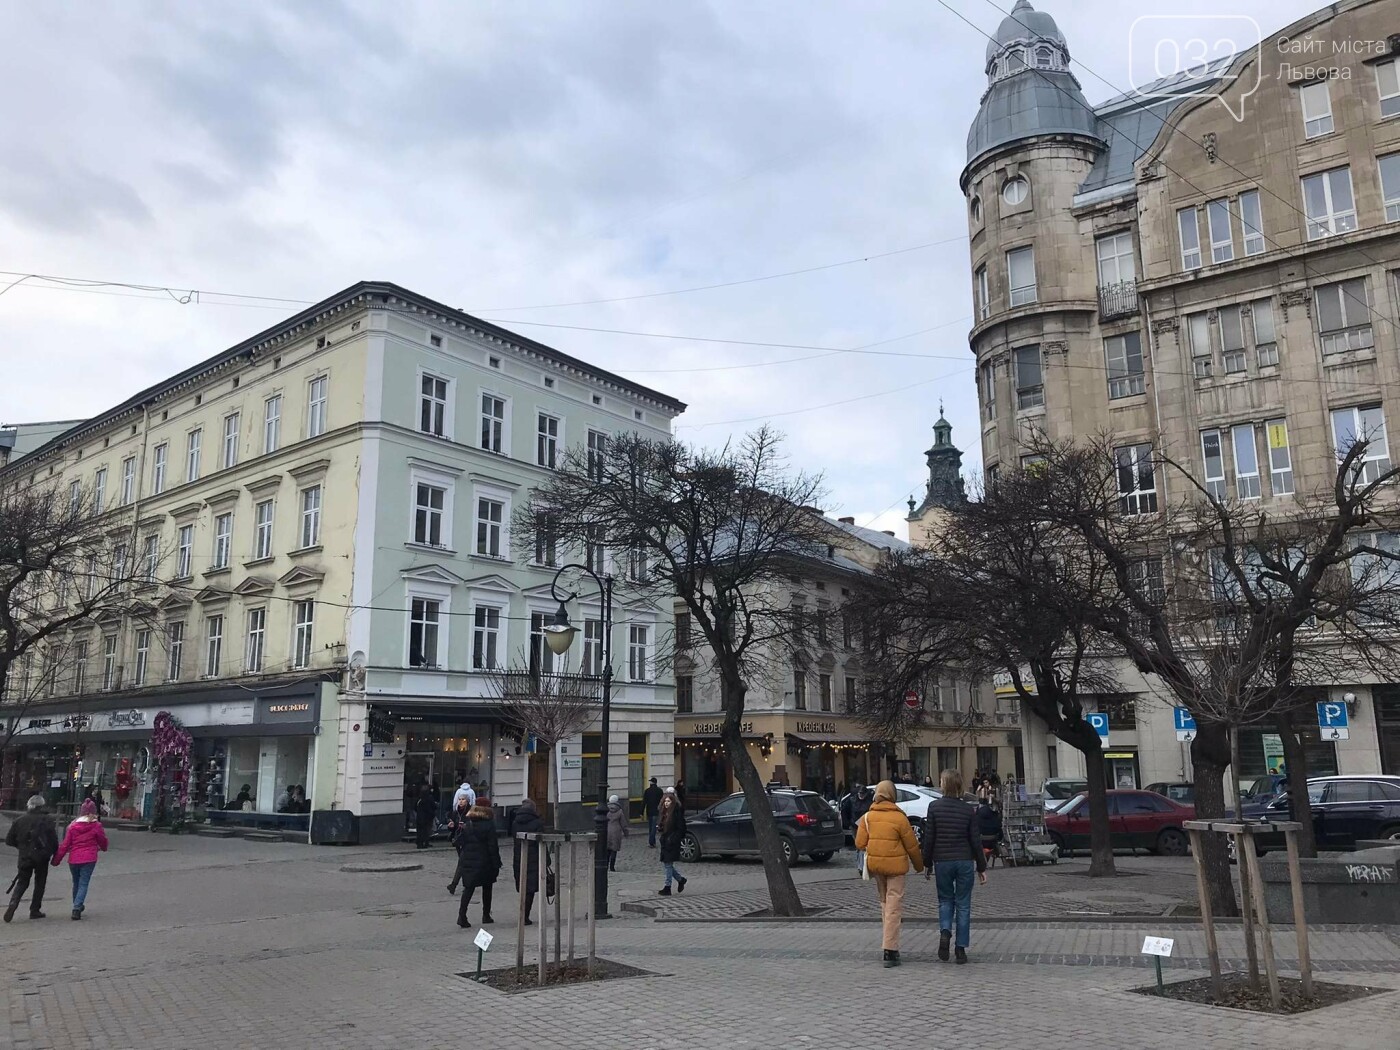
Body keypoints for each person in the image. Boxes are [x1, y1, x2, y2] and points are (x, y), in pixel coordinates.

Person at [855, 780, 924, 967]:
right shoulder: (900, 818)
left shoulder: (867, 817)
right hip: (896, 869)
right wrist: (920, 866)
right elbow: (912, 847)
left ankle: (888, 942)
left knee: (885, 904)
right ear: (892, 795)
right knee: (894, 906)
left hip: (877, 867)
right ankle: (890, 950)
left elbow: (860, 843)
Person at [922, 769, 988, 964]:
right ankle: (960, 949)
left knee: (945, 900)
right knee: (963, 904)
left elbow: (929, 838)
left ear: (944, 785)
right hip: (964, 861)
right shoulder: (968, 810)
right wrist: (982, 867)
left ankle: (945, 931)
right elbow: (975, 840)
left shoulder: (934, 807)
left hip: (942, 861)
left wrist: (927, 863)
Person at [51, 798, 109, 921]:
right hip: (89, 858)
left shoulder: (72, 827)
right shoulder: (96, 826)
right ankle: (77, 907)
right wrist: (104, 848)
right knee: (83, 883)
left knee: (76, 883)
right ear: (93, 812)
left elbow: (65, 845)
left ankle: (77, 904)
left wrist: (56, 860)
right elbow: (102, 840)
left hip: (74, 859)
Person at [5, 794, 58, 922]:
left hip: (24, 856)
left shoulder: (19, 820)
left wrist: (22, 847)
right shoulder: (48, 820)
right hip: (42, 857)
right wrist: (53, 853)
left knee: (22, 882)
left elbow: (9, 840)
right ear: (42, 806)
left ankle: (13, 902)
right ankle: (35, 910)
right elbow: (53, 840)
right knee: (40, 883)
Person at [452, 797, 500, 929]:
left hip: (469, 859)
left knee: (468, 888)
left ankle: (462, 915)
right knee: (487, 887)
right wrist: (497, 863)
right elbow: (493, 847)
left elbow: (460, 841)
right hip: (485, 861)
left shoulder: (469, 822)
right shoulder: (489, 824)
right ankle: (486, 915)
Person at [510, 798, 545, 924]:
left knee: (523, 886)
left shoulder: (515, 822)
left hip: (518, 856)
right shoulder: (537, 822)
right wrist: (546, 859)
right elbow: (542, 842)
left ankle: (522, 913)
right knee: (530, 888)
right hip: (534, 857)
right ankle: (525, 916)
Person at [656, 787, 687, 896]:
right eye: (665, 801)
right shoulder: (664, 813)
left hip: (672, 841)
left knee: (668, 864)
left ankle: (667, 887)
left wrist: (672, 839)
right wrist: (660, 827)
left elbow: (680, 828)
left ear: (673, 801)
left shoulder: (676, 812)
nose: (666, 803)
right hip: (665, 840)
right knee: (667, 864)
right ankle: (680, 880)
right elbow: (662, 825)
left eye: (668, 801)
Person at [977, 798, 1004, 866]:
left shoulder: (979, 814)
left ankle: (983, 861)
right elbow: (999, 831)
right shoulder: (996, 816)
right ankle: (992, 855)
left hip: (980, 841)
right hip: (992, 841)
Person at [606, 794, 628, 872]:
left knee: (607, 849)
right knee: (614, 850)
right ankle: (612, 866)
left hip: (607, 830)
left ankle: (606, 865)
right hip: (616, 831)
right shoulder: (619, 811)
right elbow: (623, 823)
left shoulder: (605, 809)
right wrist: (626, 832)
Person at [414, 778, 437, 849]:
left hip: (419, 817)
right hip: (427, 817)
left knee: (420, 831)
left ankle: (420, 843)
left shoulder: (419, 798)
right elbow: (433, 806)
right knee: (426, 831)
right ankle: (425, 843)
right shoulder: (429, 798)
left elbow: (415, 806)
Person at [642, 777, 663, 848]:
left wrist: (641, 811)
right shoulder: (659, 791)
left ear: (651, 782)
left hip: (649, 810)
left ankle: (651, 842)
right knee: (654, 826)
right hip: (656, 811)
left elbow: (644, 802)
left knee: (651, 827)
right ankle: (652, 842)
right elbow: (662, 801)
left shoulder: (647, 791)